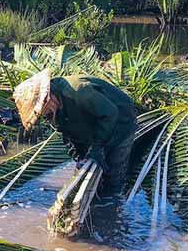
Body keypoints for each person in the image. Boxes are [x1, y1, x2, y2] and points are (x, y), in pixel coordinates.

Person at [12, 69, 137, 199]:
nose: (42, 115)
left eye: (41, 111)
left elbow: (110, 114)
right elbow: (67, 135)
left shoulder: (80, 92)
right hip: (93, 122)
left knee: (112, 174)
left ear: (47, 98)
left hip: (121, 121)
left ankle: (113, 204)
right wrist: (79, 157)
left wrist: (97, 147)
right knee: (86, 172)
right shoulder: (53, 110)